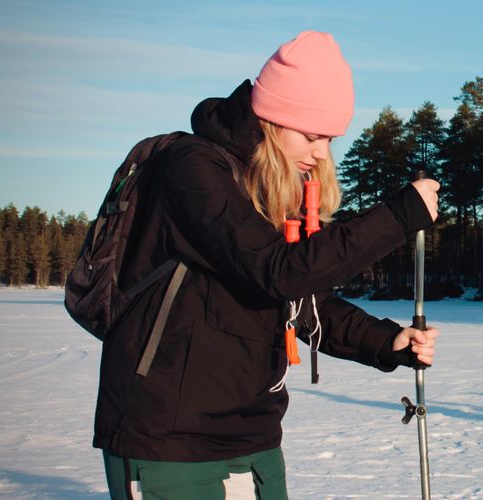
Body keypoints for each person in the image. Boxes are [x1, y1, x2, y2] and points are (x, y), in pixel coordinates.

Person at [95, 31, 440, 499]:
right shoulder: (193, 170)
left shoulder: (268, 188)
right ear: (273, 119)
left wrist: (384, 341)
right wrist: (397, 217)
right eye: (313, 135)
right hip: (168, 439)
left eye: (331, 139)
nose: (322, 154)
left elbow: (299, 298)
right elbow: (277, 271)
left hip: (252, 434)